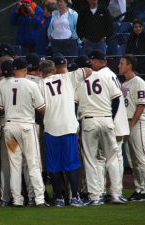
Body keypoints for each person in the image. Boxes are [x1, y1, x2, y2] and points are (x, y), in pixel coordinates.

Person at [38, 60, 92, 207]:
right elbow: (88, 70)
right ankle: (75, 197)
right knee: (72, 164)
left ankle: (59, 198)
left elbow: (39, 108)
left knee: (54, 166)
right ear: (54, 69)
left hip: (50, 128)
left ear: (40, 72)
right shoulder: (67, 77)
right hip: (68, 127)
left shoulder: (40, 84)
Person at [0, 57, 47, 207]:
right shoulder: (31, 84)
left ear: (14, 70)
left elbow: (1, 108)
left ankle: (17, 200)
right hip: (26, 127)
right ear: (25, 70)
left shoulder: (3, 85)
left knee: (14, 165)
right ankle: (39, 199)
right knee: (33, 163)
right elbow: (42, 107)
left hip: (10, 128)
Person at [75, 51, 121, 206]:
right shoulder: (108, 75)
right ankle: (115, 194)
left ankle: (96, 196)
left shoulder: (80, 80)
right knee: (112, 158)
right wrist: (110, 118)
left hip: (89, 122)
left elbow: (75, 104)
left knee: (91, 160)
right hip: (107, 119)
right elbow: (116, 100)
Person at [88, 50, 129, 204]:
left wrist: (110, 119)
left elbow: (115, 100)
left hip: (112, 122)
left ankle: (110, 192)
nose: (91, 63)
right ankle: (111, 193)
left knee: (110, 158)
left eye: (93, 60)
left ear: (99, 61)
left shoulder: (102, 75)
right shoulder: (110, 74)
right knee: (113, 158)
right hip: (114, 122)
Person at [119, 54, 145, 202]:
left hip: (138, 122)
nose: (119, 66)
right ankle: (140, 189)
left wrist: (131, 123)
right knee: (132, 159)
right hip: (127, 123)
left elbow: (141, 105)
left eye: (122, 63)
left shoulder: (138, 82)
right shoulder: (123, 84)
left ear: (129, 66)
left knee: (141, 157)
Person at [0, 59, 14, 206]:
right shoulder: (23, 83)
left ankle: (5, 197)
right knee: (23, 164)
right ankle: (24, 196)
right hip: (22, 126)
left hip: (5, 127)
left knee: (5, 165)